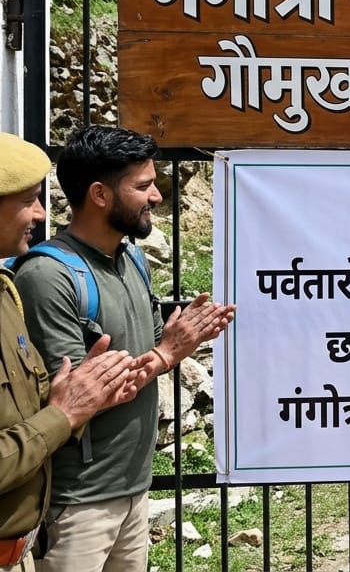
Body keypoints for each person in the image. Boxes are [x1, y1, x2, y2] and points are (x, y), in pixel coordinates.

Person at [15, 125, 235, 572]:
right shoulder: (49, 277)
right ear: (99, 194)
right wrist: (167, 353)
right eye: (142, 186)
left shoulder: (132, 259)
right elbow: (75, 399)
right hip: (78, 503)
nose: (156, 195)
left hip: (133, 492)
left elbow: (151, 347)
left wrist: (177, 340)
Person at [0, 132, 138, 570]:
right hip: (76, 502)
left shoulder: (5, 294)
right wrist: (66, 412)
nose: (41, 214)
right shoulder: (43, 275)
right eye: (29, 201)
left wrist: (71, 395)